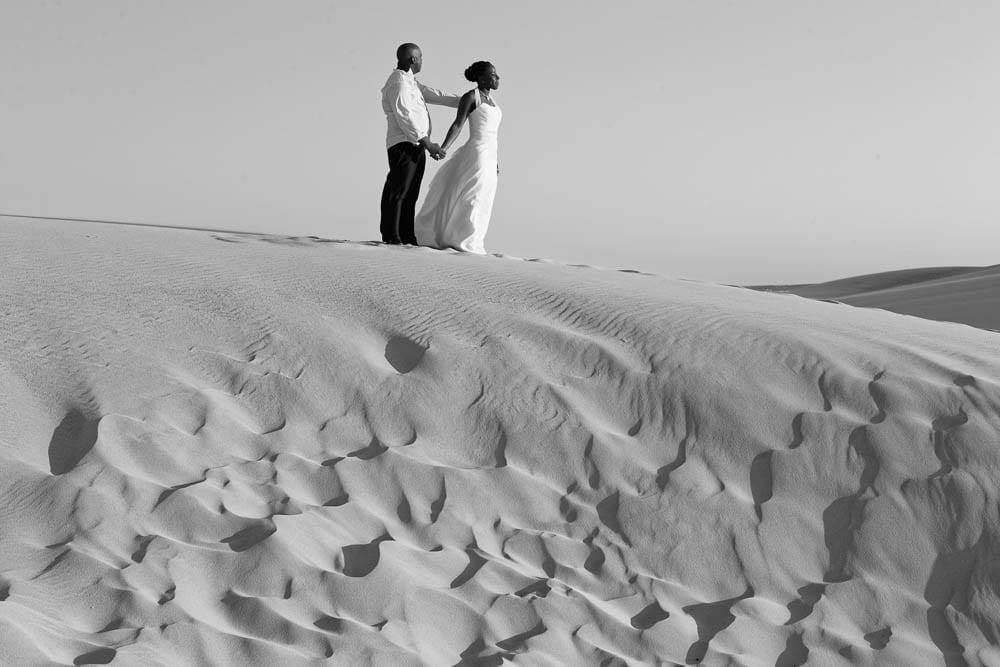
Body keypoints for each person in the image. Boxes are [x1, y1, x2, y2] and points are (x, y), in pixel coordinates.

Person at [414, 61, 502, 255]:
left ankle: (475, 241)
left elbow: (493, 134)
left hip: (490, 155)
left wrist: (495, 160)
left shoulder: (493, 101)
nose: (497, 78)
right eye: (492, 74)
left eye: (497, 74)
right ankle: (461, 241)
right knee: (472, 196)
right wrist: (443, 147)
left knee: (485, 198)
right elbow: (458, 124)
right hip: (477, 153)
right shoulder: (472, 97)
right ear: (480, 78)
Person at [379, 43, 461, 246]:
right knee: (398, 190)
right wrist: (427, 143)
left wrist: (467, 100)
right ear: (413, 59)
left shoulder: (412, 82)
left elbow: (436, 95)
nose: (423, 61)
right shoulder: (398, 83)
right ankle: (392, 236)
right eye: (421, 57)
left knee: (411, 193)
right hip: (404, 144)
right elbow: (404, 115)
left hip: (416, 145)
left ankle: (407, 236)